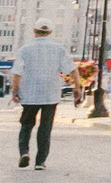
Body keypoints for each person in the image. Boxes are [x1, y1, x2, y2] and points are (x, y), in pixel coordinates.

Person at [12, 21, 72, 171]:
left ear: (34, 31)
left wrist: (15, 91)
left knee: (26, 125)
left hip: (30, 94)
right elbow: (72, 69)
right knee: (45, 127)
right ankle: (40, 162)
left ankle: (24, 152)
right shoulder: (59, 49)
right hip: (50, 95)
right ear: (50, 32)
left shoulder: (25, 49)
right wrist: (78, 88)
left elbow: (17, 72)